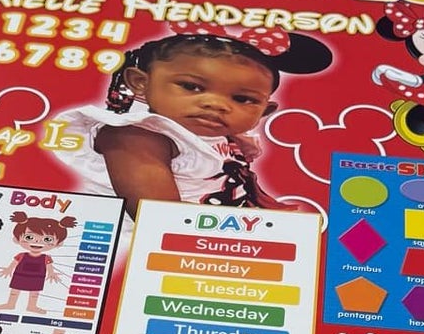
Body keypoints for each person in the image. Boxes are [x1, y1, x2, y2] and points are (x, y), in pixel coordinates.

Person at [60, 27, 330, 215]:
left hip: (208, 232)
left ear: (265, 110)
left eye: (242, 99)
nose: (217, 104)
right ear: (141, 83)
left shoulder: (224, 138)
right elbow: (158, 217)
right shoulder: (137, 136)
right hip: (137, 248)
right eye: (192, 86)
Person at [0, 209, 76, 314]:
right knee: (15, 291)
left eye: (47, 239)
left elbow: (49, 267)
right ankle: (10, 304)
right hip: (20, 275)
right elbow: (14, 263)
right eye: (29, 237)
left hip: (37, 277)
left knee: (34, 293)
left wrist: (51, 273)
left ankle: (31, 306)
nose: (37, 242)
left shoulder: (46, 257)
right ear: (17, 239)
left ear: (58, 243)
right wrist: (8, 269)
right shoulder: (22, 255)